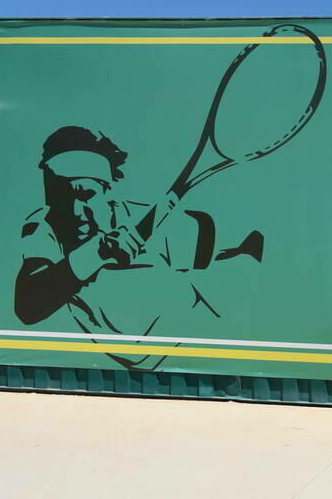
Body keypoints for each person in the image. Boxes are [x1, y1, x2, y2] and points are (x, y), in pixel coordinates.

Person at [15, 126, 261, 368]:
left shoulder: (148, 218)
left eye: (86, 195)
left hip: (193, 345)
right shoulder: (43, 228)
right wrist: (98, 252)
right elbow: (28, 307)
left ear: (107, 191)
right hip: (137, 360)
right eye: (61, 198)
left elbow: (223, 250)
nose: (75, 211)